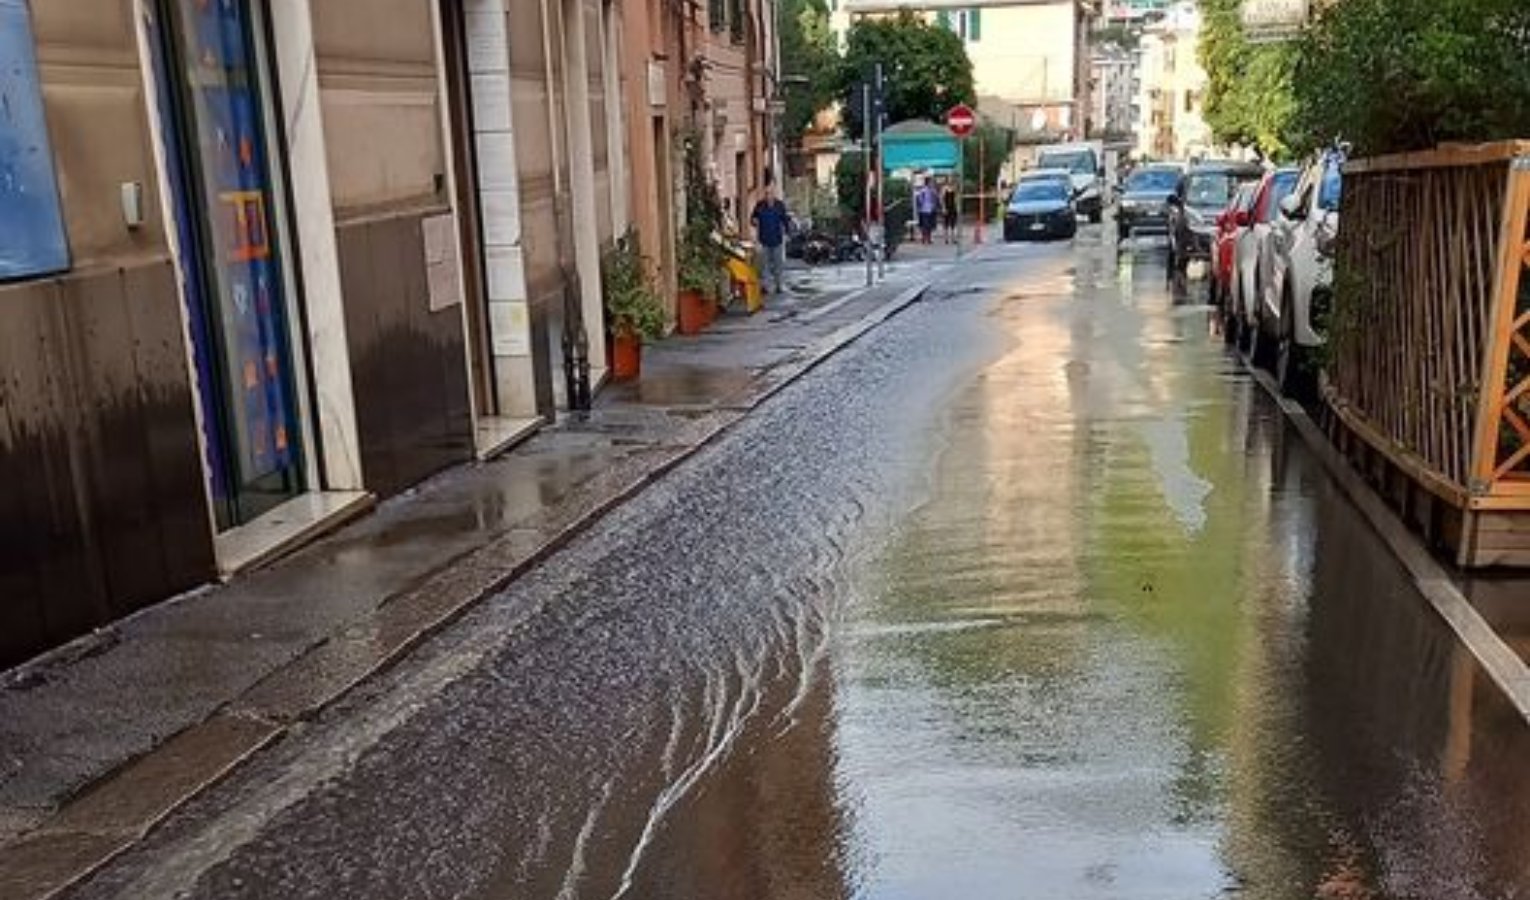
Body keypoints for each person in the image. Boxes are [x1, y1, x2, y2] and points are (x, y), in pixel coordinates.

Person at [751, 187, 789, 295]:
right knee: (764, 265)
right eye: (767, 194)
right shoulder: (760, 205)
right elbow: (753, 218)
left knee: (778, 264)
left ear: (774, 194)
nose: (768, 196)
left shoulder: (779, 205)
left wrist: (787, 232)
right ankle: (766, 286)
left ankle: (779, 285)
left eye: (770, 193)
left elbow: (785, 220)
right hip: (764, 240)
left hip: (777, 239)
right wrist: (754, 221)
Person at [916, 178, 939, 244]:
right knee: (924, 225)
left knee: (930, 225)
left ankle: (929, 238)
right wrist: (920, 206)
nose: (932, 184)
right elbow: (919, 200)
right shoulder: (923, 191)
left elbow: (936, 199)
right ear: (927, 183)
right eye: (931, 182)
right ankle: (923, 238)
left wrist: (935, 205)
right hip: (924, 210)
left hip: (931, 209)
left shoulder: (933, 190)